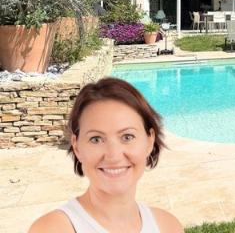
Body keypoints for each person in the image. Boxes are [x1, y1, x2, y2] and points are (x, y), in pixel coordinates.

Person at [29, 77, 183, 233]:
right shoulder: (51, 229)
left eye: (127, 137)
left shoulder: (168, 226)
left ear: (149, 141)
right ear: (76, 147)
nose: (113, 155)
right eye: (96, 139)